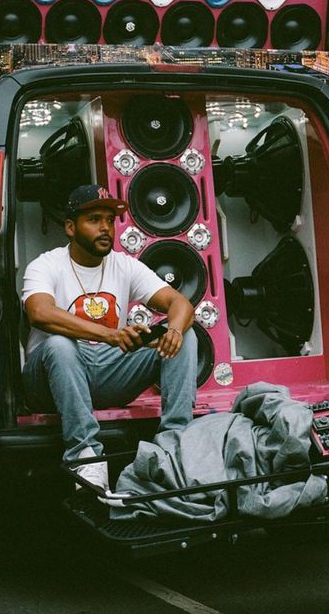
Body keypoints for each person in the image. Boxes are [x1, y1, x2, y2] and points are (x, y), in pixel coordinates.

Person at [22, 184, 198, 494]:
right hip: (50, 380)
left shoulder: (124, 265)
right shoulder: (46, 264)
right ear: (70, 227)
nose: (105, 228)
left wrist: (172, 330)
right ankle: (86, 456)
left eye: (109, 219)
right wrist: (112, 335)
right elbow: (40, 312)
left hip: (107, 372)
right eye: (93, 219)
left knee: (185, 334)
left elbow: (180, 304)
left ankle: (174, 444)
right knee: (61, 345)